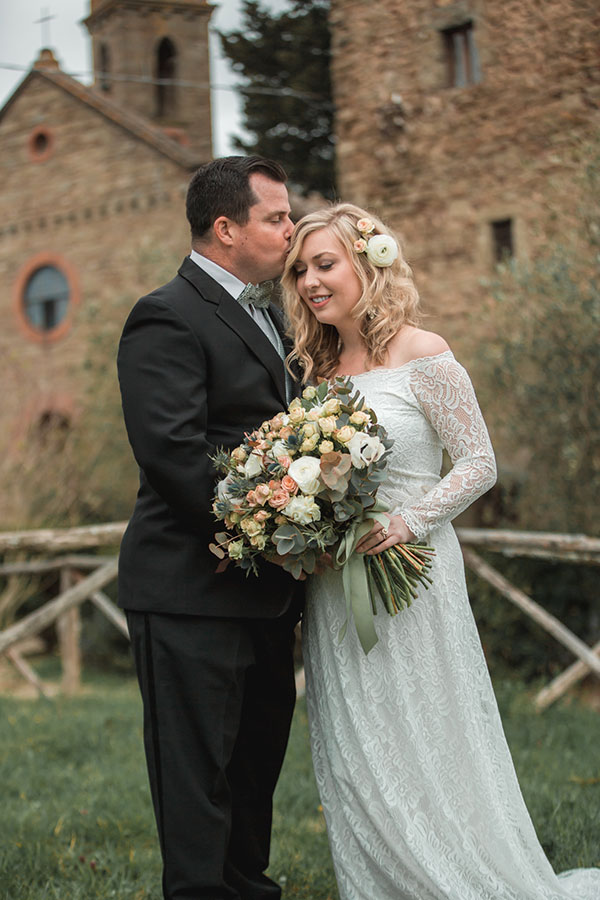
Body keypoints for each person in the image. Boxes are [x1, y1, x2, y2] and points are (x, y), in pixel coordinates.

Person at [280, 202, 600, 900]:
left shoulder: (426, 354)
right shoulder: (318, 375)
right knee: (360, 741)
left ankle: (459, 874)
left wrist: (407, 522)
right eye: (299, 269)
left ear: (368, 262)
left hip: (413, 574)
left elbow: (478, 462)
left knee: (429, 729)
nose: (308, 280)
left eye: (324, 264)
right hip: (338, 584)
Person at [117, 156, 302, 900]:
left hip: (265, 591)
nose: (291, 229)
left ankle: (247, 887)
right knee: (197, 779)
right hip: (191, 586)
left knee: (256, 763)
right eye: (276, 217)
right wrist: (259, 532)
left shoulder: (274, 313)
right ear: (226, 229)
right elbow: (172, 452)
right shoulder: (166, 313)